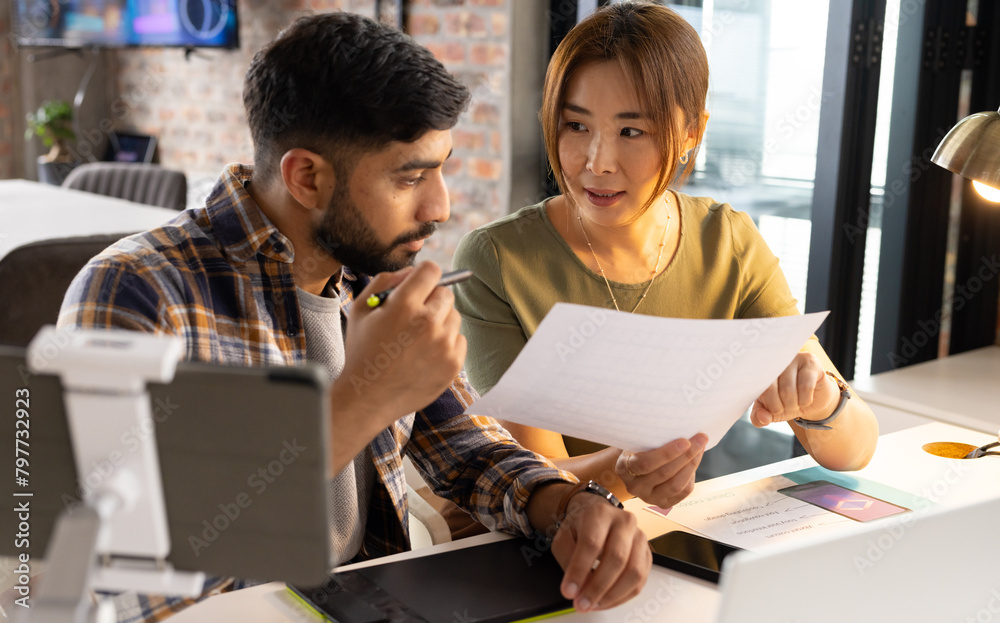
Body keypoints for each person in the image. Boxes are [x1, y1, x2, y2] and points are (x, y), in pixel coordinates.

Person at [58, 12, 651, 620]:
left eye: (441, 167)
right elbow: (120, 592)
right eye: (411, 176)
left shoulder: (370, 274)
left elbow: (470, 451)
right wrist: (361, 399)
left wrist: (571, 506)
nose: (441, 205)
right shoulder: (135, 294)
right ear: (307, 178)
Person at [452, 1, 879, 512]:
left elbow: (855, 450)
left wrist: (820, 400)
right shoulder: (499, 260)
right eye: (575, 126)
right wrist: (625, 472)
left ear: (692, 132)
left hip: (674, 537)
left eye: (631, 131)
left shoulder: (728, 243)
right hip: (540, 549)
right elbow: (527, 481)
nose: (596, 162)